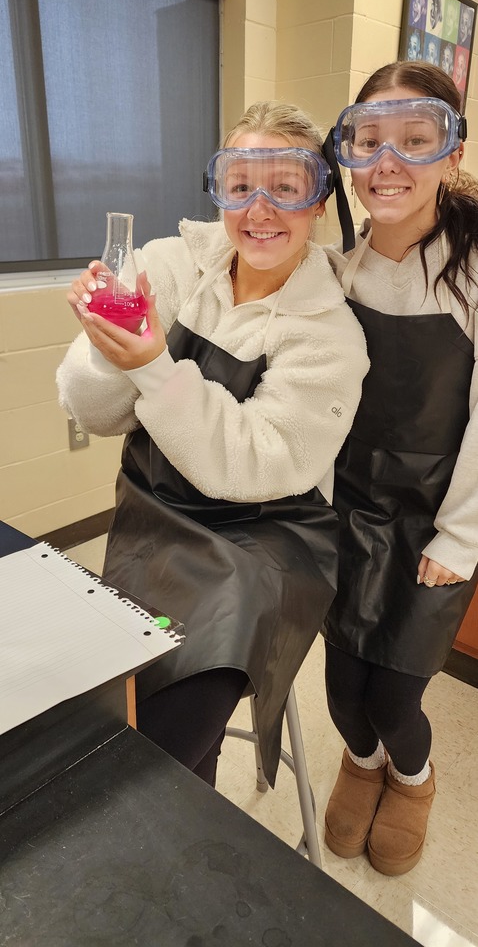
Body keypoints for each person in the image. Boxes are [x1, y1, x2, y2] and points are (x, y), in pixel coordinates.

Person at [56, 100, 369, 790]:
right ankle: (191, 800)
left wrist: (150, 364)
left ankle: (169, 817)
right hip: (154, 514)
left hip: (263, 541)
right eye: (240, 183)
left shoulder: (330, 335)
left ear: (318, 201)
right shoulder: (169, 266)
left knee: (151, 752)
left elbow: (253, 461)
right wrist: (110, 354)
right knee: (122, 694)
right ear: (219, 189)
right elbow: (93, 410)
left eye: (286, 187)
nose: (260, 207)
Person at [324, 61, 478, 876]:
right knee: (343, 689)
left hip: (435, 524)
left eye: (416, 140)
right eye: (368, 140)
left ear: (451, 154)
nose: (388, 162)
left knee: (394, 695)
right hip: (345, 513)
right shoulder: (339, 270)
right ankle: (363, 763)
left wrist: (462, 536)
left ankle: (411, 779)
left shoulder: (471, 274)